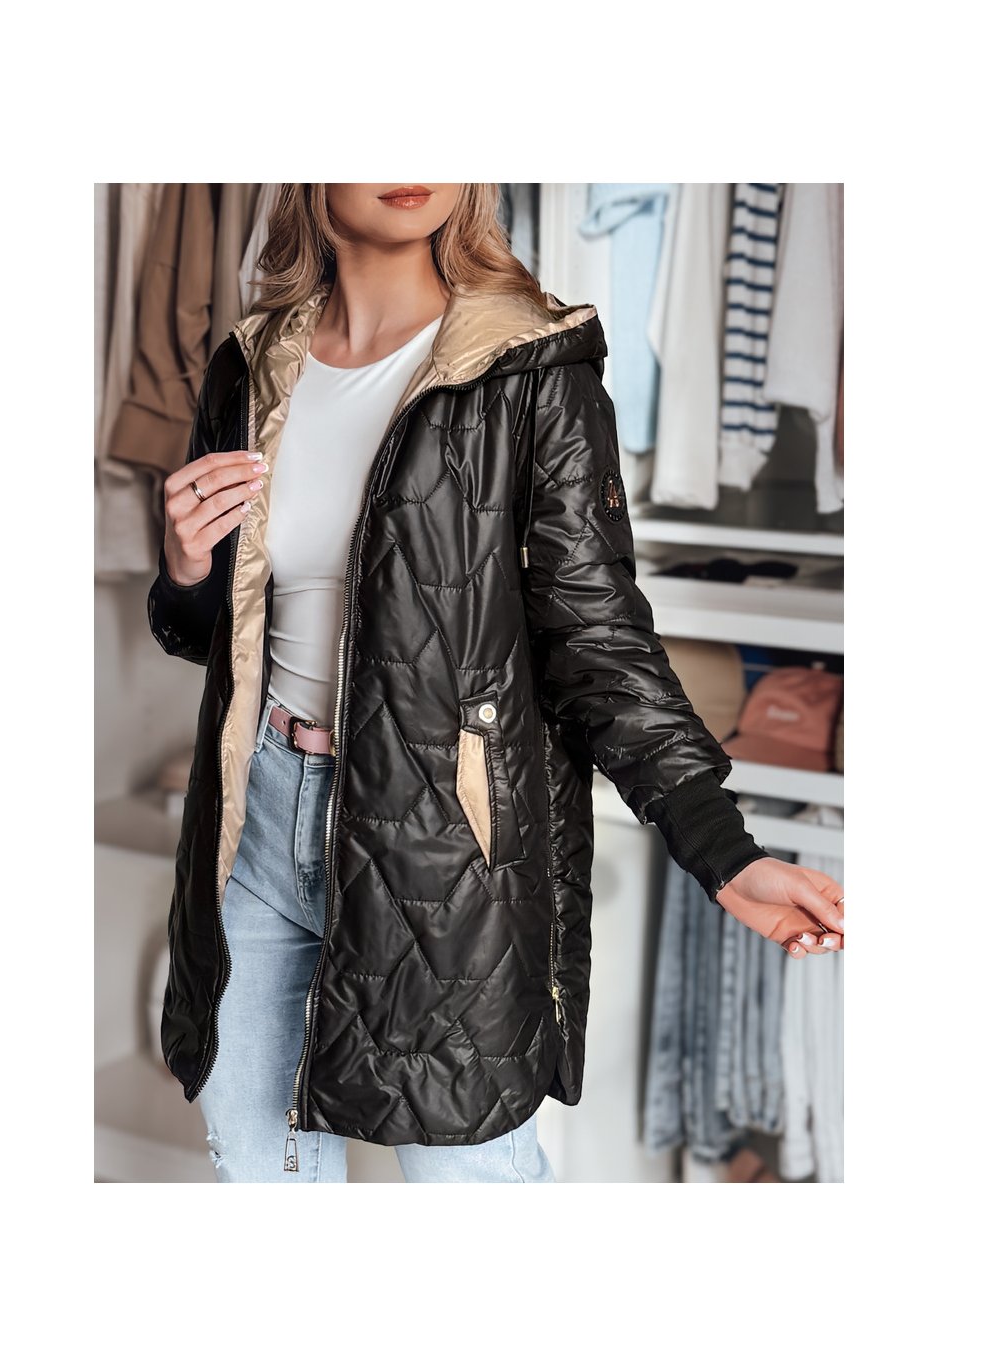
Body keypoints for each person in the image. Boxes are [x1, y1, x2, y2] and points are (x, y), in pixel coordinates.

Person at [148, 183, 845, 1184]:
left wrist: (722, 850)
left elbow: (597, 636)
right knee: (261, 1181)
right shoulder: (254, 363)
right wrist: (185, 568)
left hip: (445, 849)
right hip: (255, 825)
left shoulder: (531, 365)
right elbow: (214, 634)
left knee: (471, 1187)